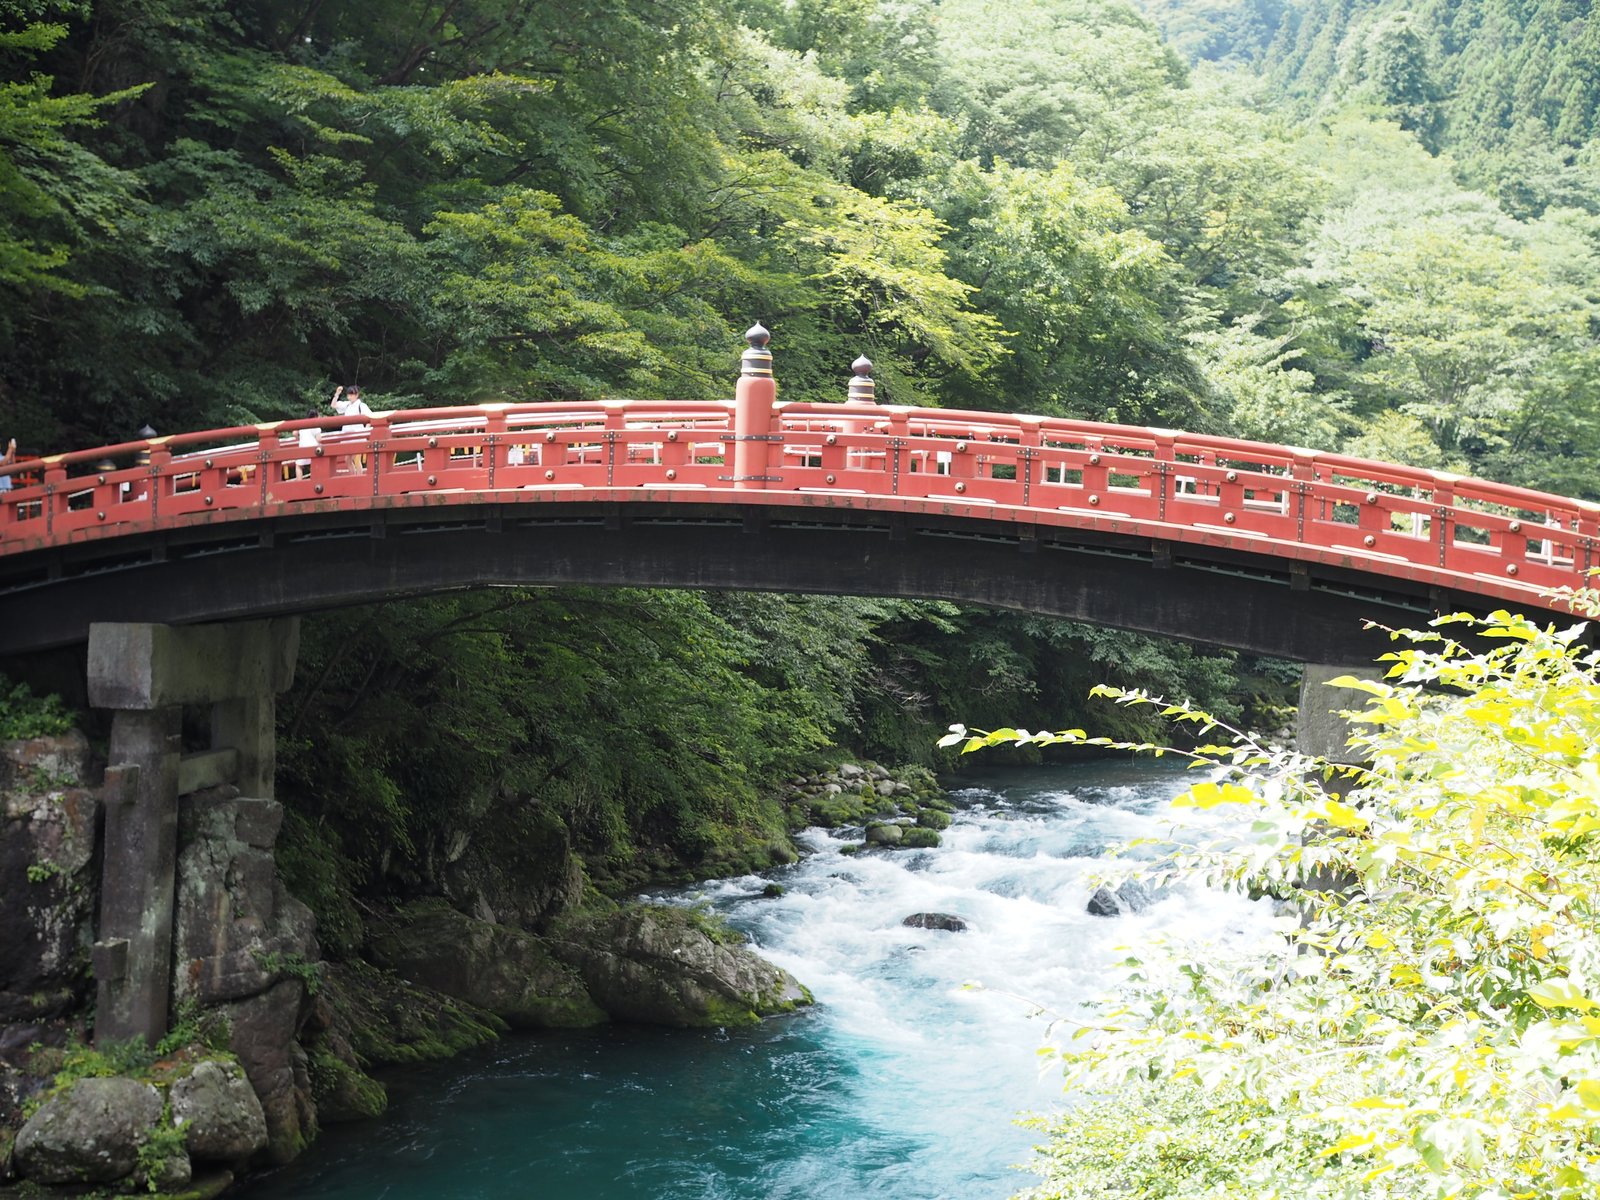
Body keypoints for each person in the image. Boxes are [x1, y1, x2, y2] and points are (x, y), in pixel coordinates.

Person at [331, 384, 372, 470]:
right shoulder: (347, 405)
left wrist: (365, 431)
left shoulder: (361, 406)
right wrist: (337, 394)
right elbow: (333, 405)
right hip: (347, 436)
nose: (349, 397)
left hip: (357, 436)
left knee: (356, 459)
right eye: (348, 395)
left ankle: (359, 478)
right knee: (347, 459)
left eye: (351, 394)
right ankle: (354, 476)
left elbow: (370, 418)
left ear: (356, 395)